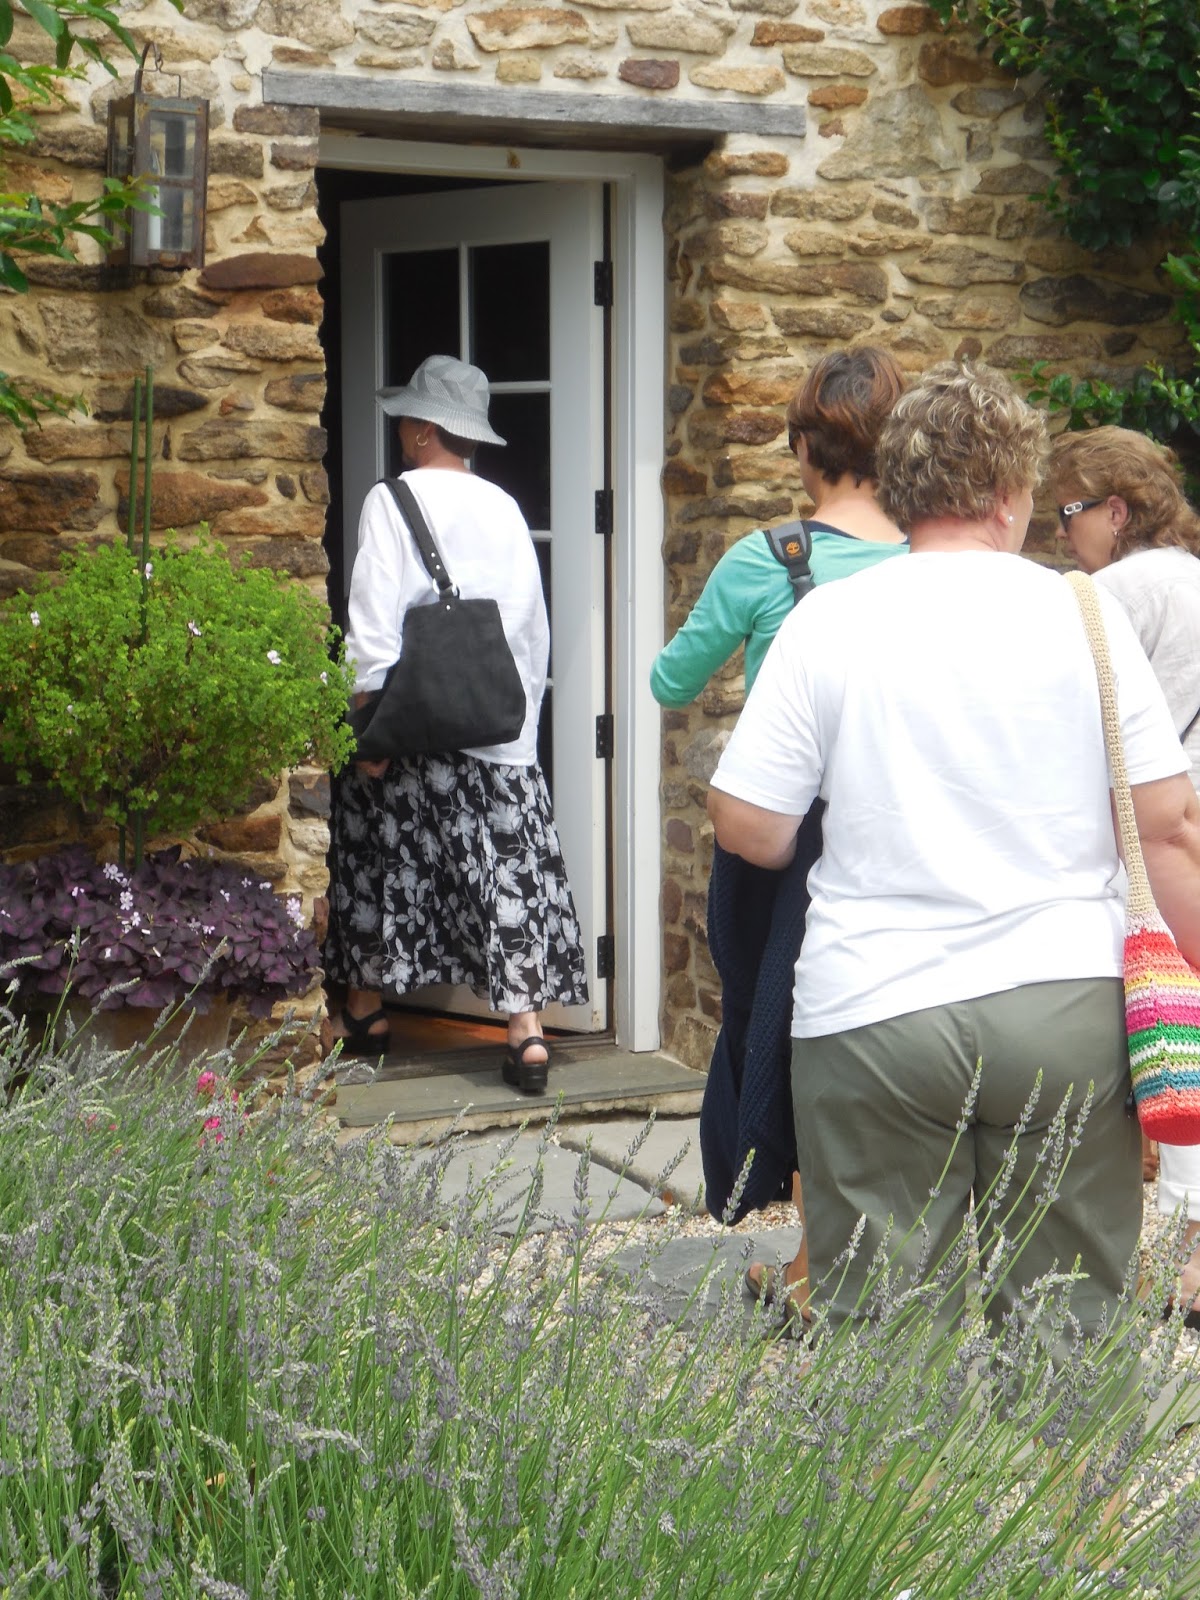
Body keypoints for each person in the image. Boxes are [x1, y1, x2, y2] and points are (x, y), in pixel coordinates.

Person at [708, 361, 1200, 1339]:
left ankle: (893, 1489)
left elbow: (749, 826)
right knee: (1068, 1328)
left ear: (900, 489)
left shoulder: (829, 621)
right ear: (1013, 494)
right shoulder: (1086, 613)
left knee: (881, 1348)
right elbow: (1165, 822)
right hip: (1061, 1003)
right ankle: (1066, 1488)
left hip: (873, 1009)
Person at [651, 347, 908, 1317]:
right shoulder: (930, 560)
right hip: (893, 827)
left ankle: (814, 1260)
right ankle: (839, 1253)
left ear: (804, 446)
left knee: (785, 1030)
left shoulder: (769, 563)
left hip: (784, 838)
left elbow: (672, 682)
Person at [323, 354, 589, 1094]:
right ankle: (527, 1036)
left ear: (420, 431)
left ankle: (367, 1009)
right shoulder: (504, 506)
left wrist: (367, 723)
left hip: (414, 726)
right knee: (504, 873)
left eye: (407, 416)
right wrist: (520, 731)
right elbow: (528, 627)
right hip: (496, 727)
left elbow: (374, 623)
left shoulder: (393, 499)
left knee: (379, 853)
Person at [1051, 424, 1200, 1325]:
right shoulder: (1195, 574)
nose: (1063, 536)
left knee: (1169, 1037)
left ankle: (1181, 1263)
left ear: (1115, 508)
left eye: (1069, 514)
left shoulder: (1113, 589)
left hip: (1151, 837)